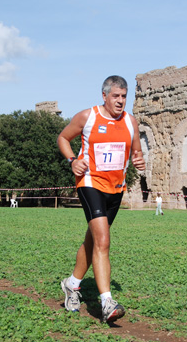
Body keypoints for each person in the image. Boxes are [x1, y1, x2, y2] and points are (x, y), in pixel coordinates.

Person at [57, 75, 146, 323]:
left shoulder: (130, 122)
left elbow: (136, 151)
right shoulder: (88, 117)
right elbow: (63, 138)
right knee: (103, 241)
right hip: (90, 183)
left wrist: (138, 161)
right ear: (104, 95)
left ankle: (72, 284)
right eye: (116, 96)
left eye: (124, 96)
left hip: (115, 189)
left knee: (93, 241)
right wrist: (72, 160)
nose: (120, 101)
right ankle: (107, 302)